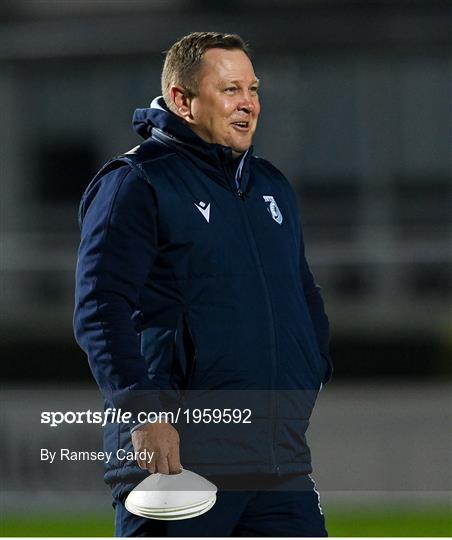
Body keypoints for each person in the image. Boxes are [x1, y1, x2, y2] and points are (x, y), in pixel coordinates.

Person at [74, 31, 332, 537]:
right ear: (181, 100)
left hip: (278, 463)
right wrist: (143, 415)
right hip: (180, 460)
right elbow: (100, 309)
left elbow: (303, 293)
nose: (249, 104)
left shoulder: (271, 185)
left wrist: (310, 370)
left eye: (253, 89)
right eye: (231, 90)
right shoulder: (136, 183)